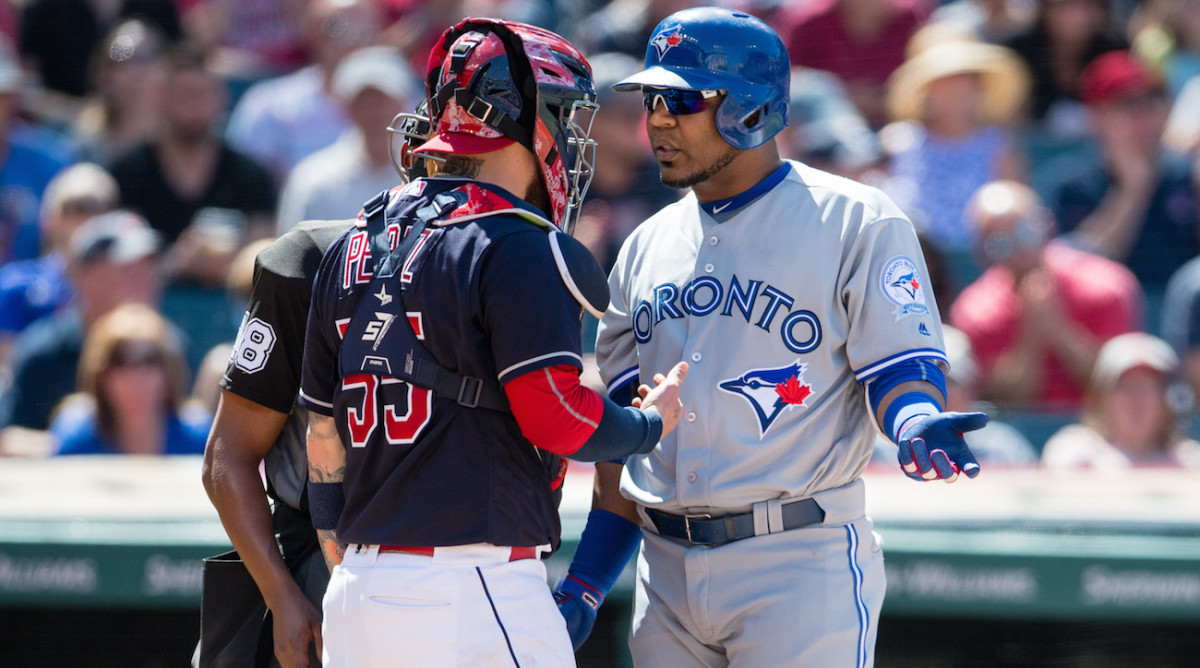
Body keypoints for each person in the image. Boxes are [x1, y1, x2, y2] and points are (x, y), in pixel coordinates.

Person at [554, 8, 986, 666]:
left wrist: (915, 420)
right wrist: (586, 581)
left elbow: (898, 368)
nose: (659, 121)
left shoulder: (855, 218)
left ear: (750, 109)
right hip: (664, 573)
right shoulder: (643, 246)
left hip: (797, 562)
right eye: (653, 101)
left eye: (682, 101)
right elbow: (626, 444)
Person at [298, 18, 687, 667]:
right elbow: (554, 415)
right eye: (564, 115)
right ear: (526, 117)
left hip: (358, 591)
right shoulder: (516, 242)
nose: (570, 135)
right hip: (469, 582)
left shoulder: (354, 240)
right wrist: (648, 426)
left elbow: (321, 438)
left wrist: (360, 571)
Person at [949, 180, 1142, 411]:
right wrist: (1031, 332)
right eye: (1000, 243)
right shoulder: (974, 310)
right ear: (981, 252)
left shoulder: (1106, 286)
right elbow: (1003, 400)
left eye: (1025, 232)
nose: (1020, 250)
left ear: (1047, 225)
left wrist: (1059, 330)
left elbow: (1117, 386)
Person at [109, 43, 276, 288]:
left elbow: (265, 262)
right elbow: (115, 268)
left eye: (203, 94)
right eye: (184, 94)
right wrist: (178, 262)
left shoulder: (252, 177)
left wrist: (228, 266)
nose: (194, 107)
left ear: (221, 98)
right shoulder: (127, 174)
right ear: (160, 96)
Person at [0, 210, 163, 454]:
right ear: (85, 277)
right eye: (128, 270)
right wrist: (78, 444)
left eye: (149, 269)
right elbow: (9, 441)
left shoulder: (167, 348)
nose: (145, 281)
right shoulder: (43, 352)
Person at [1042, 49, 1199, 293]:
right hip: (1103, 313)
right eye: (1128, 105)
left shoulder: (1188, 178)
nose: (1144, 118)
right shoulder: (1069, 185)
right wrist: (1132, 191)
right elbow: (1074, 275)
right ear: (1097, 116)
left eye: (1152, 103)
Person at [881, 31, 1030, 252]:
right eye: (945, 80)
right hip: (913, 257)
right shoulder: (898, 142)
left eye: (964, 78)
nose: (956, 88)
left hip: (981, 261)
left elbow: (1016, 214)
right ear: (926, 89)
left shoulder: (999, 146)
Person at [223, 0, 382, 184]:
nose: (352, 43)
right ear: (312, 33)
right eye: (337, 29)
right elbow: (243, 186)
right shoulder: (267, 105)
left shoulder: (404, 103)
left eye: (365, 32)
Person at [275, 45, 420, 234]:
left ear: (402, 102)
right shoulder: (312, 181)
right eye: (364, 101)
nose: (375, 111)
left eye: (383, 100)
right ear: (346, 107)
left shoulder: (424, 175)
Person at [0, 163, 119, 373]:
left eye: (103, 208)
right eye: (79, 208)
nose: (91, 219)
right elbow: (7, 367)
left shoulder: (126, 286)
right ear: (49, 220)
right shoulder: (15, 285)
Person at [50, 302, 210, 455]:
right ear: (100, 374)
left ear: (169, 369)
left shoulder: (200, 437)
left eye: (149, 360)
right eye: (120, 361)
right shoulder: (76, 436)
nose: (136, 375)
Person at [872, 324, 1039, 466]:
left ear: (971, 389)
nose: (936, 393)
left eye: (948, 382)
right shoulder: (877, 449)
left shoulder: (1002, 447)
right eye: (924, 382)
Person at [1042, 332, 1200, 469]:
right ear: (1101, 398)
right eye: (1125, 387)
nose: (1137, 399)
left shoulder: (1191, 461)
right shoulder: (1073, 453)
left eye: (1149, 387)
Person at [777, 0, 931, 128]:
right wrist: (841, 95)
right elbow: (783, 81)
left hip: (902, 127)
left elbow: (929, 78)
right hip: (824, 133)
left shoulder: (910, 16)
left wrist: (884, 102)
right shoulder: (809, 19)